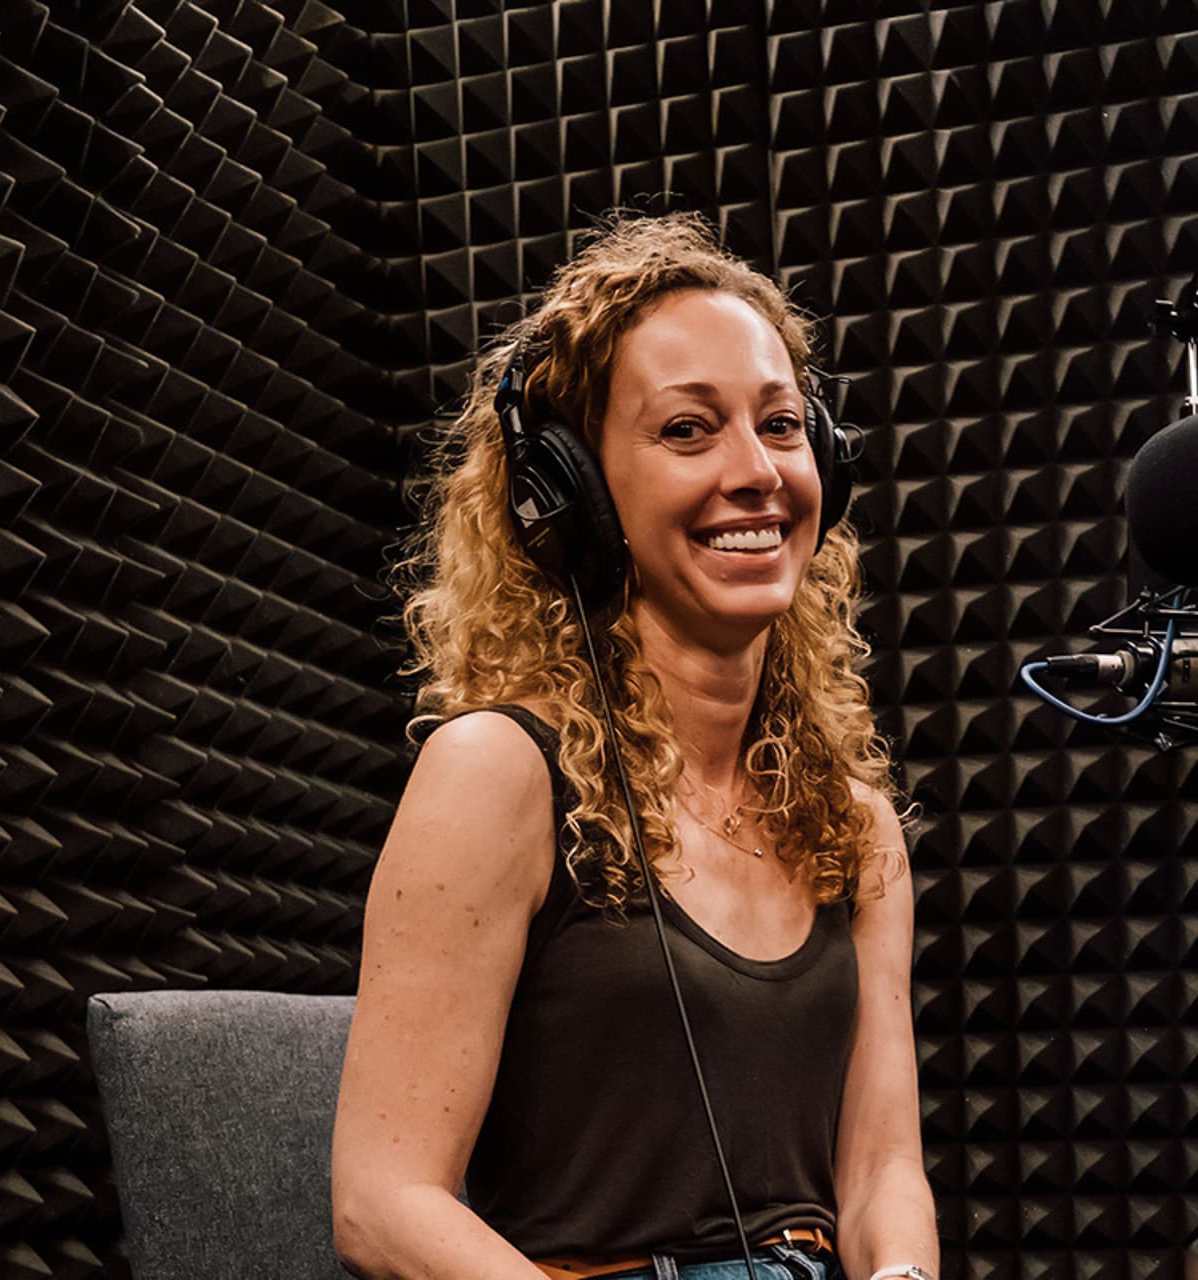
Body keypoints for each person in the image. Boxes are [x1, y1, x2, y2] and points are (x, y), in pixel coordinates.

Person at [331, 212, 937, 1280]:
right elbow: (383, 1200)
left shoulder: (855, 823)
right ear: (572, 493)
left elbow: (882, 1167)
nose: (755, 472)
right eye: (686, 431)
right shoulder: (498, 772)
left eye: (782, 425)